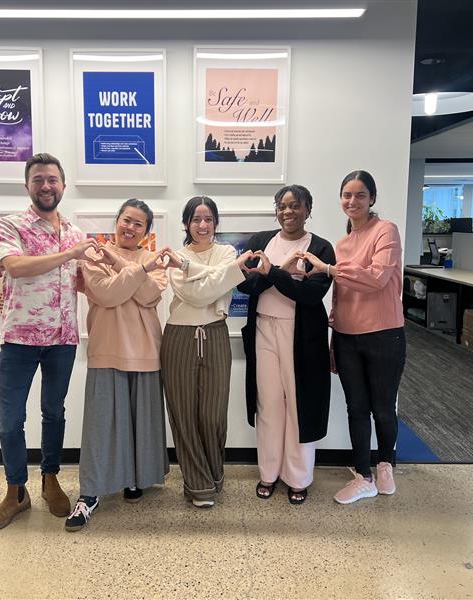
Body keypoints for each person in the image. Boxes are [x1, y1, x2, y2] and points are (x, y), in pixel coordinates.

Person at [0, 153, 100, 534]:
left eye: (52, 179)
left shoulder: (75, 232)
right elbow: (15, 266)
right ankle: (16, 492)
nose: (46, 186)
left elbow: (82, 282)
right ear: (28, 186)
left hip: (63, 340)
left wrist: (126, 275)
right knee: (10, 421)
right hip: (19, 339)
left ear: (63, 185)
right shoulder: (10, 225)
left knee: (54, 412)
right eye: (38, 180)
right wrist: (69, 254)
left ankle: (50, 480)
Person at [302, 170, 406, 504]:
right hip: (347, 336)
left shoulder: (385, 230)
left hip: (384, 334)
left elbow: (377, 278)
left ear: (372, 198)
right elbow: (341, 297)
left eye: (360, 195)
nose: (352, 201)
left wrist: (329, 269)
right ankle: (363, 475)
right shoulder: (342, 244)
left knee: (383, 407)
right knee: (356, 408)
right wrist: (335, 341)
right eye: (347, 195)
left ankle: (386, 463)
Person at [66, 199, 169, 531]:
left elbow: (150, 297)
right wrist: (135, 271)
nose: (131, 228)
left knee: (141, 423)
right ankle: (91, 493)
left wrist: (126, 270)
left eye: (139, 224)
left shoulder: (153, 259)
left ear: (146, 231)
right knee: (101, 425)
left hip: (146, 350)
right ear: (117, 221)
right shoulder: (94, 255)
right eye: (127, 220)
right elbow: (106, 294)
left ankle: (135, 479)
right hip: (106, 349)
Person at [237, 184, 335, 505]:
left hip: (301, 336)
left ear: (308, 209)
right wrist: (284, 272)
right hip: (263, 328)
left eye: (295, 205)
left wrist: (272, 274)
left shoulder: (320, 248)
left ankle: (298, 477)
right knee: (268, 404)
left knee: (298, 405)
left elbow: (309, 295)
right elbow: (248, 286)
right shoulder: (260, 241)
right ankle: (268, 473)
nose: (287, 212)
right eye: (282, 205)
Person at [161, 197, 255, 508]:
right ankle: (198, 484)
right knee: (184, 415)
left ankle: (215, 475)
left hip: (215, 336)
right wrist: (224, 275)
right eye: (196, 219)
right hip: (178, 337)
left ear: (216, 223)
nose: (203, 225)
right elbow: (194, 294)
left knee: (213, 415)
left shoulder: (226, 252)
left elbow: (213, 289)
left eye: (209, 219)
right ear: (186, 223)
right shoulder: (176, 256)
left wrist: (200, 272)